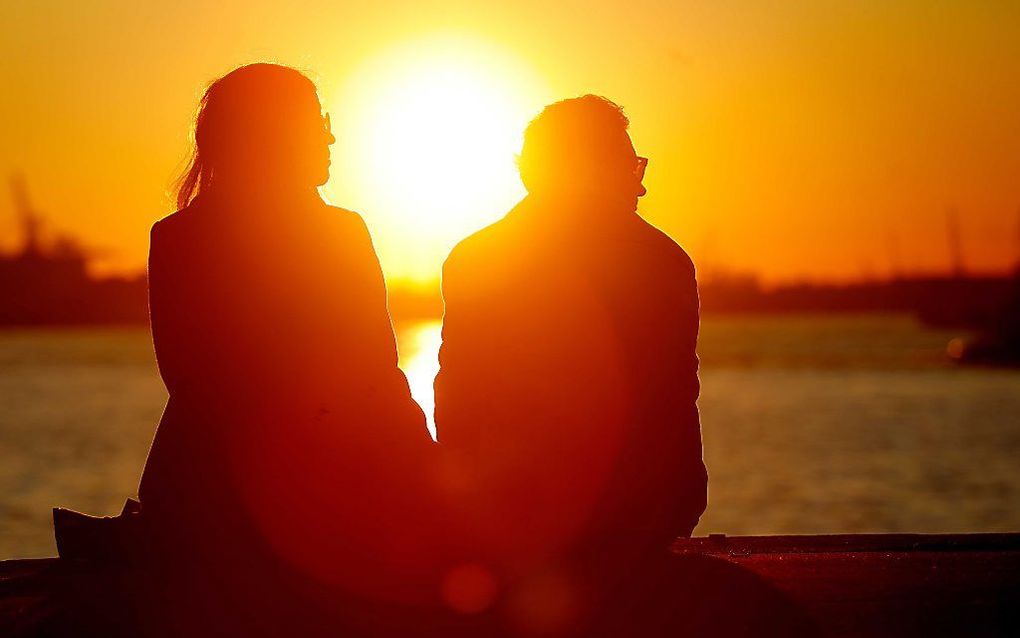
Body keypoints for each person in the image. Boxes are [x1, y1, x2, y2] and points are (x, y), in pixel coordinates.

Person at [136, 63, 434, 635]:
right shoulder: (338, 234)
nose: (330, 136)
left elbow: (196, 386)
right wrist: (428, 478)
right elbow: (377, 376)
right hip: (313, 503)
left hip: (200, 500)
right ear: (275, 134)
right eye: (317, 121)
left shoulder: (175, 238)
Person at [434, 95, 708, 635]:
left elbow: (457, 408)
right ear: (593, 169)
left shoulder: (476, 258)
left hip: (512, 530)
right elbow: (673, 405)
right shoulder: (660, 262)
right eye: (630, 168)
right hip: (634, 530)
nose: (641, 185)